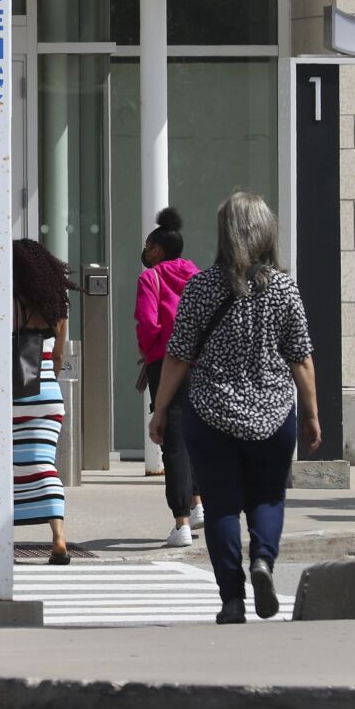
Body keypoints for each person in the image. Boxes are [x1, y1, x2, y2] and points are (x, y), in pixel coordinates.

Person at [150, 192, 318, 625]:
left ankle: (231, 600)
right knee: (268, 496)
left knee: (223, 506)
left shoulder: (201, 287)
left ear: (225, 233)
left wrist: (160, 408)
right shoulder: (284, 287)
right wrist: (313, 414)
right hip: (273, 411)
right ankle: (262, 560)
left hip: (210, 411)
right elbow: (300, 356)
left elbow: (178, 354)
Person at [135, 206, 204, 547]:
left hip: (166, 364)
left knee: (172, 440)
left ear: (158, 250)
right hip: (201, 363)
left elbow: (148, 324)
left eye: (148, 247)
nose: (145, 253)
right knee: (197, 436)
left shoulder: (151, 278)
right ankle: (198, 502)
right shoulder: (198, 276)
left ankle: (181, 523)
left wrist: (150, 351)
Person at [13, 237, 72, 564]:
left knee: (11, 464)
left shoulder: (10, 303)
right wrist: (49, 376)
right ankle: (58, 537)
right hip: (48, 393)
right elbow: (59, 354)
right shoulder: (57, 308)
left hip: (14, 393)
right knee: (44, 463)